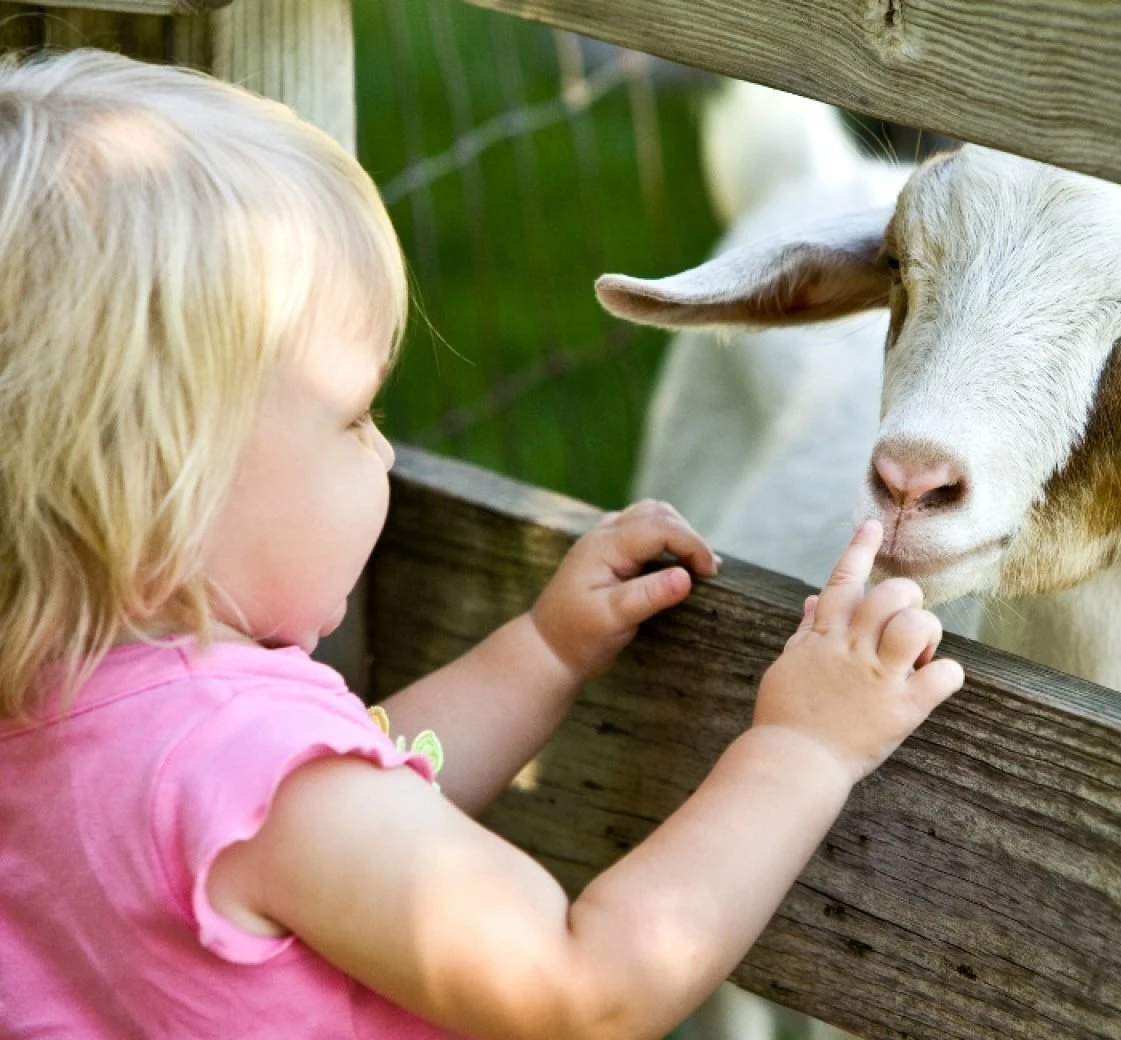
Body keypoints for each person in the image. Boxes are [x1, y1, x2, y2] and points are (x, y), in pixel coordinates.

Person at [0, 49, 964, 1039]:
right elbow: (584, 987)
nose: (383, 450)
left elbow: (369, 788)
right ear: (165, 484)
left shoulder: (68, 709)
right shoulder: (250, 773)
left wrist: (542, 651)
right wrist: (802, 746)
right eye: (354, 415)